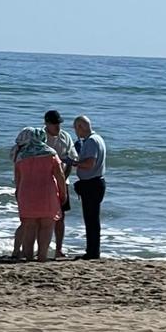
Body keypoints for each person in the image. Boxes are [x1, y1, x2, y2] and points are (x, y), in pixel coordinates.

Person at [12, 127, 68, 262]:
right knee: (47, 225)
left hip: (26, 195)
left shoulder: (20, 156)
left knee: (29, 226)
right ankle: (42, 256)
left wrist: (18, 195)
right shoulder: (51, 154)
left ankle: (29, 256)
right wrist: (63, 193)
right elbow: (60, 176)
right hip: (47, 195)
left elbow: (17, 180)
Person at [41, 110, 79, 258]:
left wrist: (62, 179)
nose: (57, 127)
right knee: (43, 216)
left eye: (59, 123)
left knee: (61, 216)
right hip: (44, 182)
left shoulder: (65, 136)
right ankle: (42, 248)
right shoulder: (41, 137)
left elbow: (72, 158)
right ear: (47, 123)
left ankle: (59, 249)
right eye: (54, 124)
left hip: (63, 180)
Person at [72, 115, 108, 260]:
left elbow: (90, 163)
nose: (76, 132)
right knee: (92, 219)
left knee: (91, 219)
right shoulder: (97, 138)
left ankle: (92, 252)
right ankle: (92, 250)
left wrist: (74, 163)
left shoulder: (91, 141)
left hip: (92, 184)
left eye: (76, 128)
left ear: (81, 127)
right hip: (96, 182)